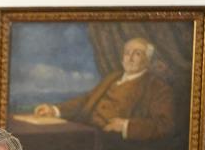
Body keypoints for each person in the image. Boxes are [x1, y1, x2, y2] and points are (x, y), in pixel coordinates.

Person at [33, 37, 176, 140]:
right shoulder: (112, 77)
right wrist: (54, 110)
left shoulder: (157, 87)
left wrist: (126, 126)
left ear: (147, 60)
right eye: (127, 52)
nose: (130, 57)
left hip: (112, 143)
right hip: (85, 132)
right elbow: (86, 99)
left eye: (137, 53)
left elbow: (164, 125)